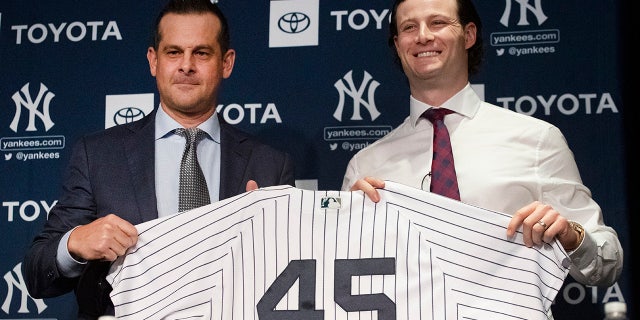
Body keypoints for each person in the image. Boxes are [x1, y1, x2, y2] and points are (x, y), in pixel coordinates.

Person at [22, 0, 295, 318]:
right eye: (173, 52)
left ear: (226, 62)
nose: (186, 65)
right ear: (154, 60)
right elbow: (36, 275)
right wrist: (74, 243)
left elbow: (293, 277)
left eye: (202, 53)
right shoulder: (97, 156)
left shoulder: (270, 164)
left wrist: (265, 241)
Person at [342, 0, 622, 302]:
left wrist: (570, 235)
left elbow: (608, 264)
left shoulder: (537, 140)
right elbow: (339, 279)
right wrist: (351, 230)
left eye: (437, 22)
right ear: (398, 45)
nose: (422, 36)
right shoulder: (365, 166)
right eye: (409, 27)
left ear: (469, 34)